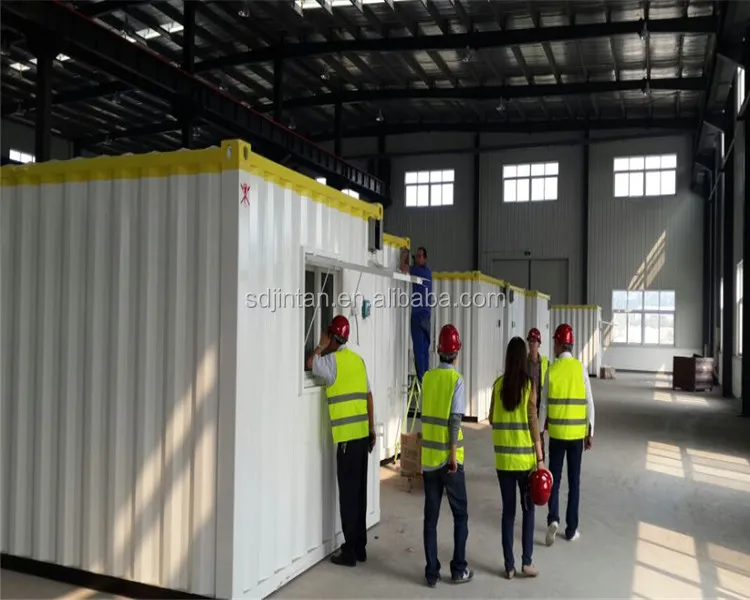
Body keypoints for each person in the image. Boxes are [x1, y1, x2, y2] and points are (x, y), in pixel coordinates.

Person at [306, 315, 377, 567]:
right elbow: (369, 396)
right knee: (359, 494)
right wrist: (371, 429)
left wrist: (320, 345)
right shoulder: (358, 360)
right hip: (362, 436)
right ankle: (360, 547)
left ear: (332, 336)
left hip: (347, 441)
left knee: (348, 497)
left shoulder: (331, 362)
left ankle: (349, 552)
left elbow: (310, 362)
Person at [420, 324, 474, 587]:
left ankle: (431, 573)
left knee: (430, 519)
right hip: (450, 462)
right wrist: (453, 455)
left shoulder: (428, 378)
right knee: (460, 515)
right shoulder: (456, 380)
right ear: (456, 353)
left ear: (439, 351)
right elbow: (454, 421)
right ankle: (458, 569)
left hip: (429, 460)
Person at [489, 337, 545, 579]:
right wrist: (540, 459)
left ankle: (509, 566)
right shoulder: (528, 386)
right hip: (524, 462)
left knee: (508, 513)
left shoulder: (497, 386)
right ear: (523, 359)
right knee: (528, 510)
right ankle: (527, 562)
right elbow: (533, 423)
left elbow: (492, 418)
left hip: (503, 462)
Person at [538, 323, 595, 546]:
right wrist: (590, 431)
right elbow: (589, 402)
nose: (553, 346)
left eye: (555, 342)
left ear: (561, 344)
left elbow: (543, 405)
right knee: (574, 482)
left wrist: (540, 431)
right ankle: (571, 530)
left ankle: (553, 518)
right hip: (576, 437)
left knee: (554, 478)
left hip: (557, 436)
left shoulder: (551, 370)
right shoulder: (580, 369)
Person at [400, 246, 432, 383]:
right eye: (416, 256)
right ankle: (426, 378)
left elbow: (403, 267)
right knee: (424, 350)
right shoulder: (427, 272)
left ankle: (422, 380)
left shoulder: (419, 271)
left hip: (418, 316)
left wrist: (403, 256)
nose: (418, 258)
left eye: (420, 256)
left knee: (418, 349)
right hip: (426, 317)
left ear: (425, 259)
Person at [526, 327, 549, 412]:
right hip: (527, 403)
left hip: (541, 403)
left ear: (539, 344)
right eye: (530, 341)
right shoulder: (523, 361)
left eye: (534, 341)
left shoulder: (546, 363)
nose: (531, 343)